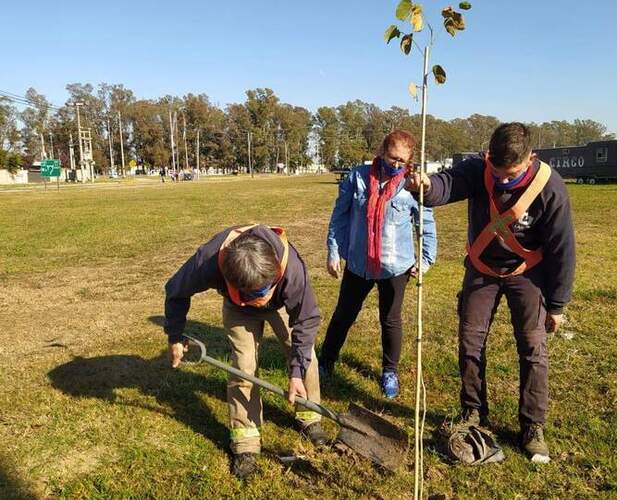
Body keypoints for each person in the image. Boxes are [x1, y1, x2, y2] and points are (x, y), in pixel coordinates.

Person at [406, 122, 575, 463]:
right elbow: (447, 185)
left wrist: (556, 304)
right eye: (496, 172)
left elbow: (562, 249)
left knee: (533, 349)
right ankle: (472, 412)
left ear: (531, 159)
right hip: (481, 271)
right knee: (470, 342)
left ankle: (532, 426)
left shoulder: (550, 187)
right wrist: (425, 186)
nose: (501, 180)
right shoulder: (479, 169)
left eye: (510, 174)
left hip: (528, 274)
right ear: (488, 157)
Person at [163, 224, 327, 478]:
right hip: (237, 309)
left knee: (304, 356)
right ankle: (246, 441)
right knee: (243, 366)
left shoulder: (292, 270)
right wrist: (175, 335)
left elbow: (306, 321)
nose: (258, 300)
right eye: (252, 294)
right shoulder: (208, 261)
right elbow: (175, 290)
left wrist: (296, 373)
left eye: (261, 292)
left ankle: (310, 415)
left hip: (281, 302)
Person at [320, 130, 437, 398]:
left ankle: (389, 372)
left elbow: (426, 225)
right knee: (343, 315)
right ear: (382, 151)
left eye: (402, 161)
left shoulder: (412, 185)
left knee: (390, 320)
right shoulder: (357, 177)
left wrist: (426, 261)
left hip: (395, 267)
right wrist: (333, 251)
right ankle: (326, 361)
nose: (395, 165)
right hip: (358, 264)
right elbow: (340, 215)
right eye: (392, 157)